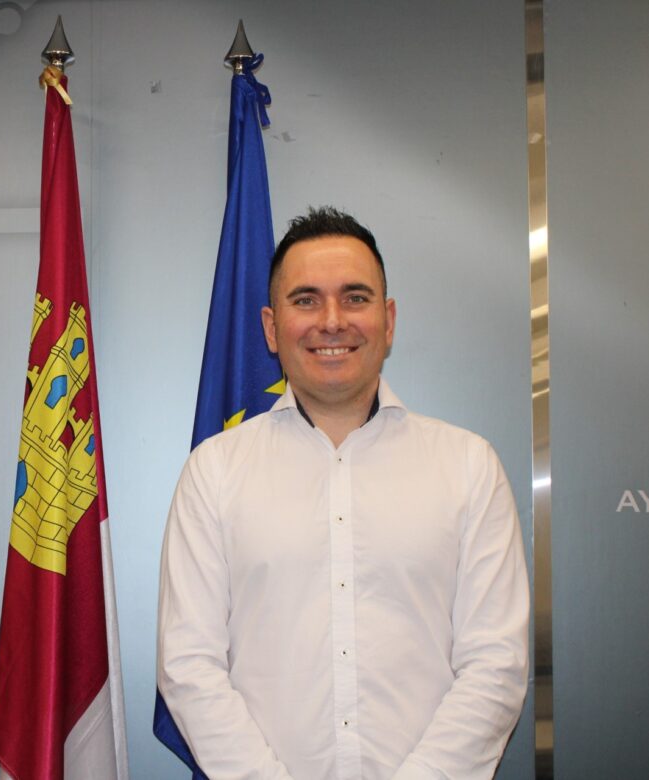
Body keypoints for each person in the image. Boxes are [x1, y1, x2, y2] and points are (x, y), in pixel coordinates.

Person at [156, 206, 529, 779]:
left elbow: (495, 666)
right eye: (306, 300)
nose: (332, 321)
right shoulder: (214, 472)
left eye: (355, 297)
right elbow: (189, 664)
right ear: (271, 327)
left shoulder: (469, 467)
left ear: (389, 319)